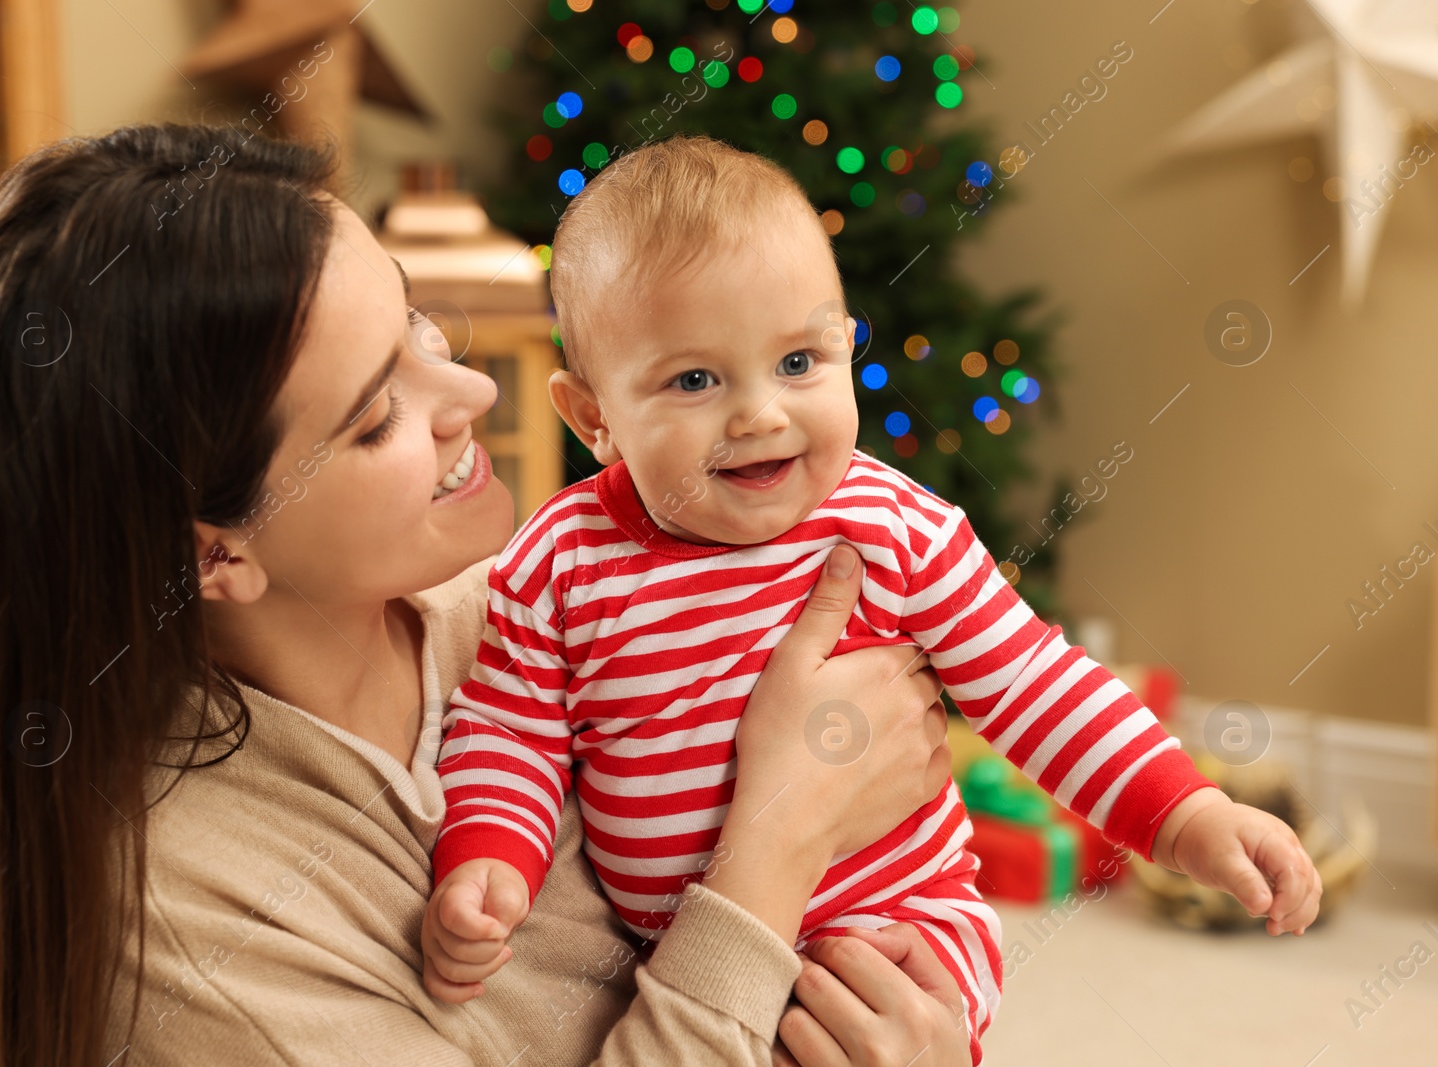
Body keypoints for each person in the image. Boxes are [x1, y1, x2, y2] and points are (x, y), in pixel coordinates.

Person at [0, 123, 973, 1067]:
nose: (473, 393)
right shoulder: (188, 929)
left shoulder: (544, 612)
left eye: (415, 326)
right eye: (377, 415)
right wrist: (776, 835)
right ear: (215, 557)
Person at [422, 135, 1326, 1065]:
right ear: (593, 416)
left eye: (800, 361)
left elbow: (1036, 686)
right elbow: (508, 727)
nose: (760, 414)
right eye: (695, 379)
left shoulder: (894, 528)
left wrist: (1182, 815)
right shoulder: (560, 559)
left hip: (901, 928)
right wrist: (490, 855)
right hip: (684, 954)